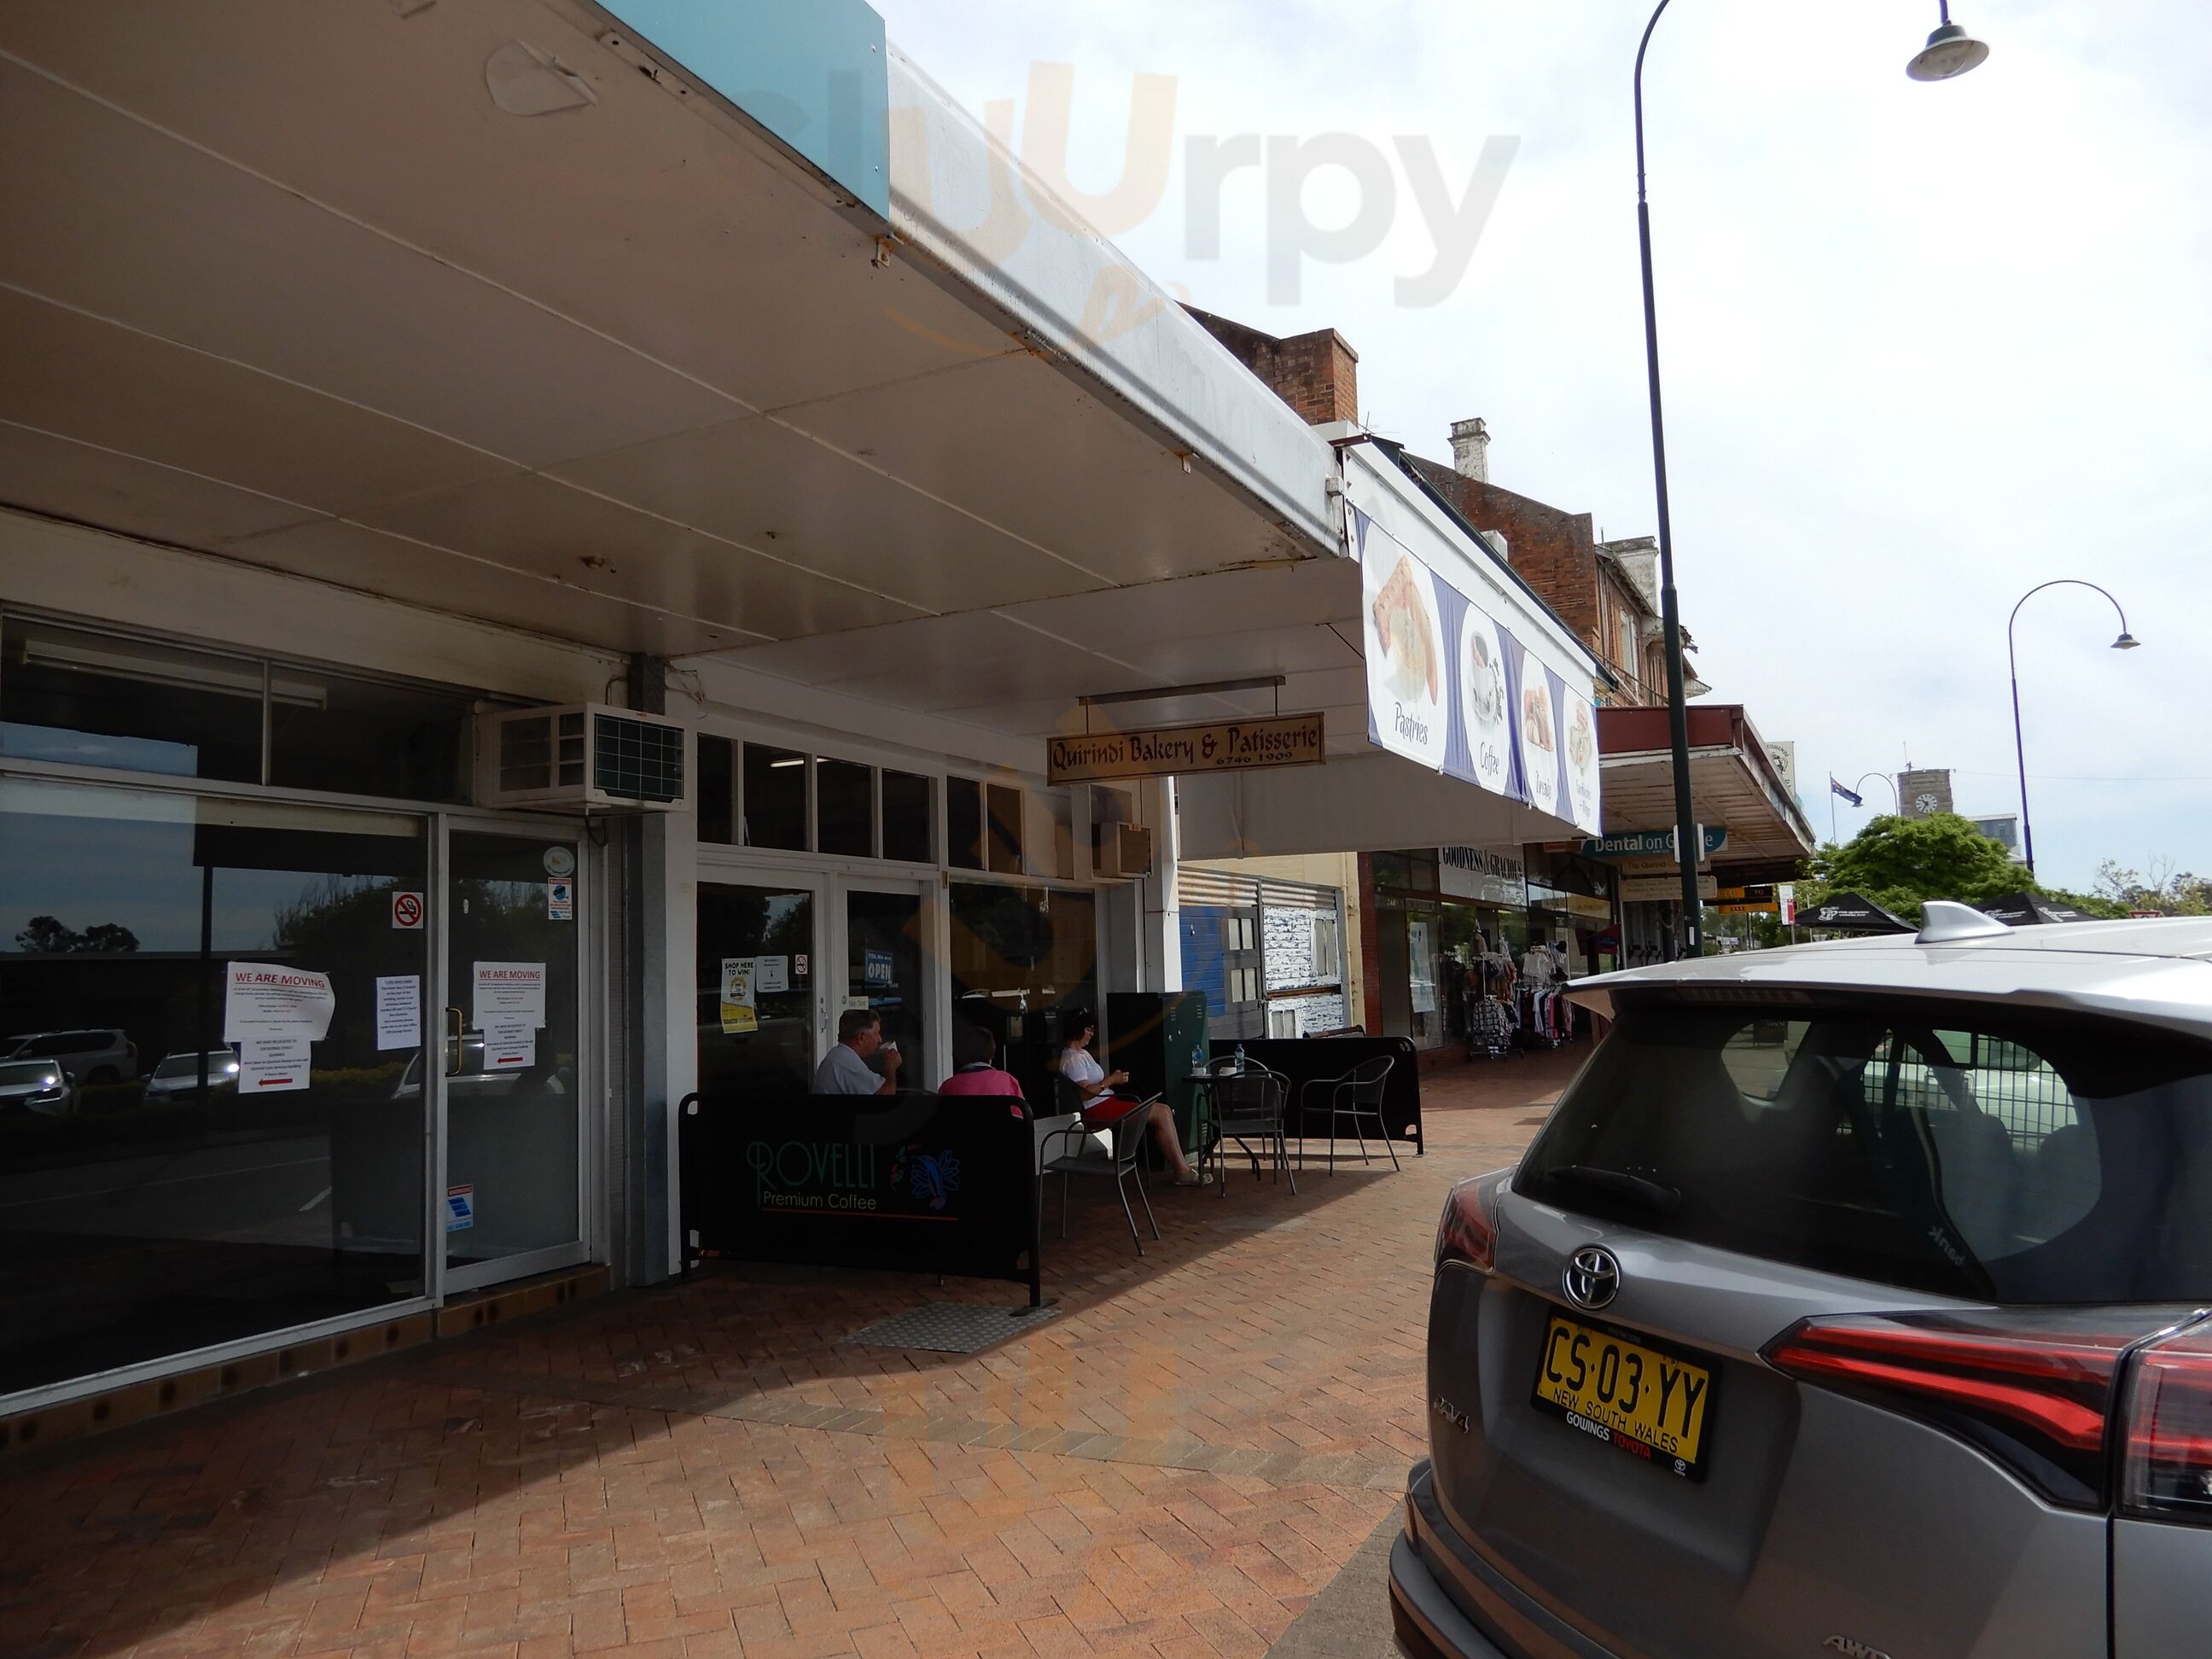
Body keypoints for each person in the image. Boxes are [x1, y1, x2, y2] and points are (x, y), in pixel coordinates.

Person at [1057, 1009, 1201, 1185]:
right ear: (1077, 1029)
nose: (1091, 1035)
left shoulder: (1082, 1054)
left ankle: (1182, 1168)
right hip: (1097, 1110)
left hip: (1107, 1102)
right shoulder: (1072, 1060)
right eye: (1089, 1030)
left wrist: (1113, 1079)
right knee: (1162, 1113)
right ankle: (1182, 1171)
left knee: (1163, 1110)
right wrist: (1111, 1080)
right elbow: (1085, 1094)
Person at [936, 1023, 1027, 1120]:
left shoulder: (948, 1087)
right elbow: (1021, 1120)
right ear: (991, 1054)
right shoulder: (1008, 1081)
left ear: (960, 1055)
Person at [812, 1008, 902, 1096]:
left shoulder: (839, 1055)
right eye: (877, 1033)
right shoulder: (847, 1063)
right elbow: (885, 1094)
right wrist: (891, 1068)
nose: (880, 1039)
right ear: (861, 1037)